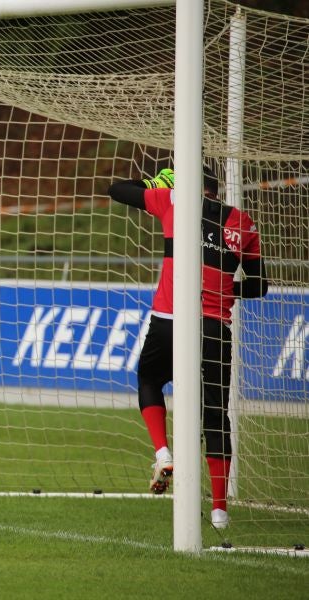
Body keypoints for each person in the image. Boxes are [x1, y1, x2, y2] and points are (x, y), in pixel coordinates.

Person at [108, 167, 267, 529]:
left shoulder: (173, 200)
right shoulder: (243, 223)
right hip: (213, 326)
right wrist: (224, 291)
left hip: (168, 320)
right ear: (217, 190)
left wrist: (157, 183)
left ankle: (163, 452)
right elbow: (259, 287)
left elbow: (117, 189)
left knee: (149, 379)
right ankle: (220, 511)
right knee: (215, 413)